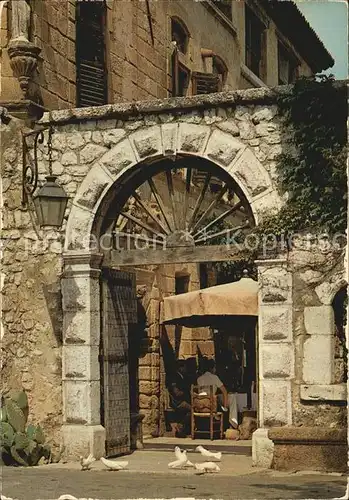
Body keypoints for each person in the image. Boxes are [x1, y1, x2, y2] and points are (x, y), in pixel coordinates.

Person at [167, 360, 191, 437]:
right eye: (185, 367)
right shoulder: (175, 377)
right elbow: (176, 393)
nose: (186, 369)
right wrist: (186, 392)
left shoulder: (183, 377)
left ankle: (182, 427)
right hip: (178, 402)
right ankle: (181, 425)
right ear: (180, 368)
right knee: (193, 410)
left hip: (182, 400)